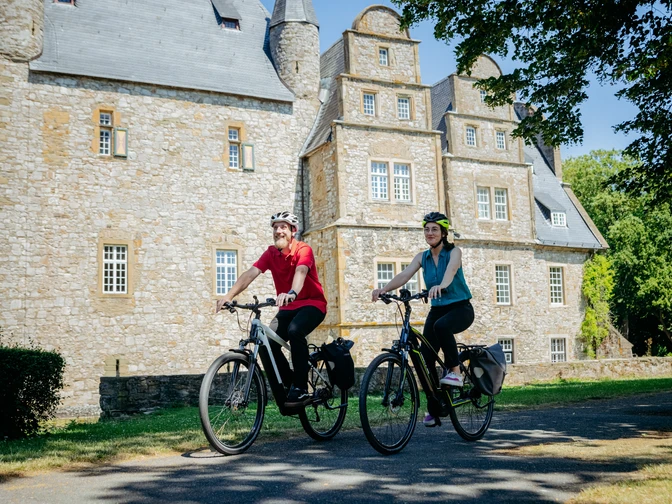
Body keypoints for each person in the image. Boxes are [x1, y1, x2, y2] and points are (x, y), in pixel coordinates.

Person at [372, 212, 474, 427]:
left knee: (442, 326)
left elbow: (452, 270)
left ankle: (455, 372)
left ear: (443, 232)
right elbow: (404, 275)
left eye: (434, 229)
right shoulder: (422, 257)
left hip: (460, 308)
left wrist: (442, 286)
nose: (430, 233)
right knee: (425, 357)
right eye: (426, 229)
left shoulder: (454, 251)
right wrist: (384, 289)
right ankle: (435, 406)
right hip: (437, 310)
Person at [216, 211, 327, 406]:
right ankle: (290, 383)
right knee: (266, 342)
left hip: (312, 304)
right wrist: (228, 296)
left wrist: (292, 292)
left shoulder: (304, 250)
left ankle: (300, 388)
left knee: (295, 330)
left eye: (283, 227)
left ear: (293, 230)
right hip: (288, 308)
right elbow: (251, 273)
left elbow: (301, 271)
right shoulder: (271, 253)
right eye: (275, 227)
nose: (278, 231)